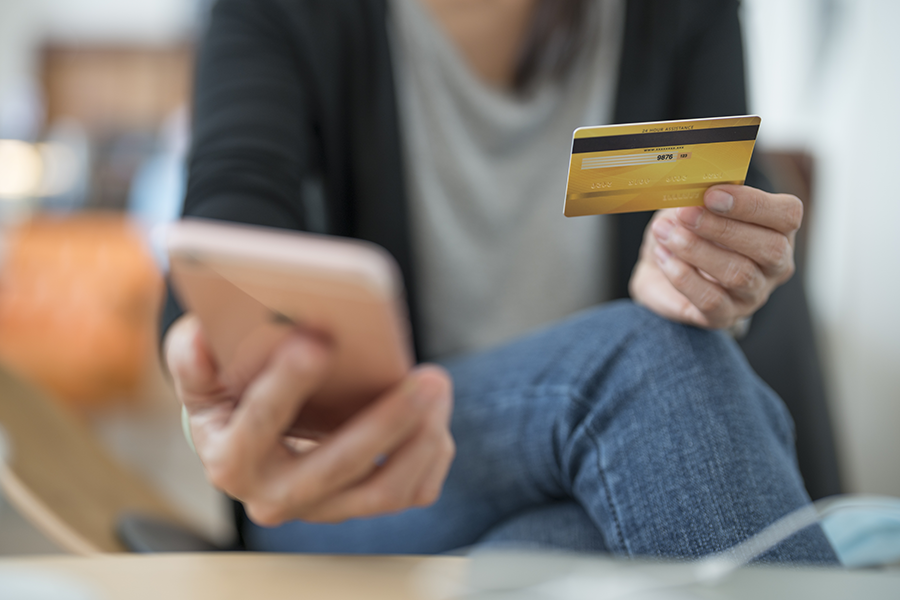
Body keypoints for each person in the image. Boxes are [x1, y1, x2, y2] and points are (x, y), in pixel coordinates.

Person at [163, 0, 837, 561]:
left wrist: (710, 273)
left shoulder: (681, 13)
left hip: (618, 459)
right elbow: (222, 239)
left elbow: (719, 205)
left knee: (568, 541)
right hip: (373, 459)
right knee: (654, 363)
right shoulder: (281, 13)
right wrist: (218, 394)